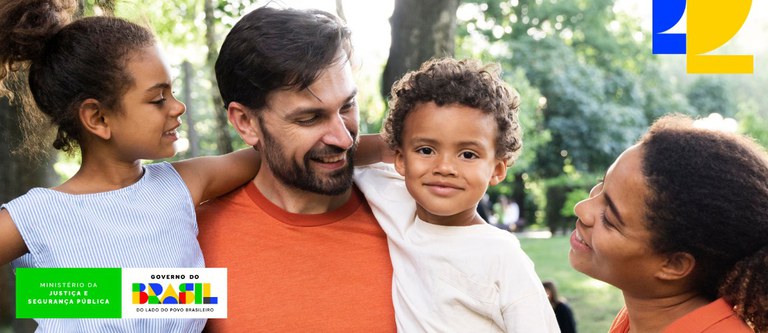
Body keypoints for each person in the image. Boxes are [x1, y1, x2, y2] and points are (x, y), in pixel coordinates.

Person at [0, 1, 258, 331]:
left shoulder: (182, 184)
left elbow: (275, 152)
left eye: (173, 92)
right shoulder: (36, 215)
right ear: (98, 118)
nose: (178, 107)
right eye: (158, 99)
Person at [196, 6, 395, 332]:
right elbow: (100, 299)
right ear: (245, 123)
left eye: (347, 106)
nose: (344, 139)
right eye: (309, 118)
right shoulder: (195, 243)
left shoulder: (407, 218)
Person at [354, 58, 559, 332]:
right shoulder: (393, 202)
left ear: (496, 170)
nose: (444, 167)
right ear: (400, 159)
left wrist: (416, 145)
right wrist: (387, 145)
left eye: (468, 154)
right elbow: (336, 155)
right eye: (426, 150)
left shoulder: (502, 256)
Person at [569, 114, 768, 333]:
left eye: (609, 219)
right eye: (601, 185)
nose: (582, 208)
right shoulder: (637, 318)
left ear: (675, 265)